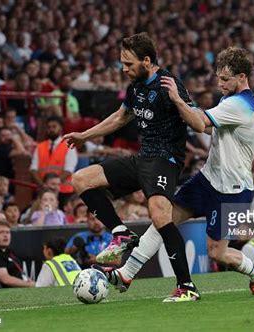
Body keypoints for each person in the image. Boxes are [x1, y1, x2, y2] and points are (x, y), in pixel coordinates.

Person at [96, 46, 254, 299]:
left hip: (233, 190)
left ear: (242, 77)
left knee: (217, 252)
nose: (220, 84)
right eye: (218, 78)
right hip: (208, 179)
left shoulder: (242, 104)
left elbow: (200, 124)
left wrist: (178, 100)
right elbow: (213, 128)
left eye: (225, 79)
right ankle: (127, 272)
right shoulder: (229, 100)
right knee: (163, 218)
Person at [64, 32, 200, 301]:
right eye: (122, 64)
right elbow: (120, 117)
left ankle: (186, 286)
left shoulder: (168, 84)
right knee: (81, 179)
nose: (124, 69)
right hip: (142, 159)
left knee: (160, 215)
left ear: (147, 61)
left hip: (165, 160)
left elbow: (197, 123)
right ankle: (120, 233)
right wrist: (84, 136)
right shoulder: (136, 87)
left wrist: (178, 100)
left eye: (128, 64)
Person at [31, 116, 77, 203]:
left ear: (60, 128)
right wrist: (43, 185)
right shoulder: (40, 146)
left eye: (54, 126)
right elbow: (33, 169)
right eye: (49, 127)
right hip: (44, 191)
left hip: (64, 192)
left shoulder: (68, 145)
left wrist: (53, 184)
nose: (51, 129)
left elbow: (69, 170)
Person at [0, 220, 35, 289]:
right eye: (1, 232)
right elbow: (6, 279)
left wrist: (27, 280)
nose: (5, 235)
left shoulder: (9, 252)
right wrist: (29, 284)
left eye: (8, 232)